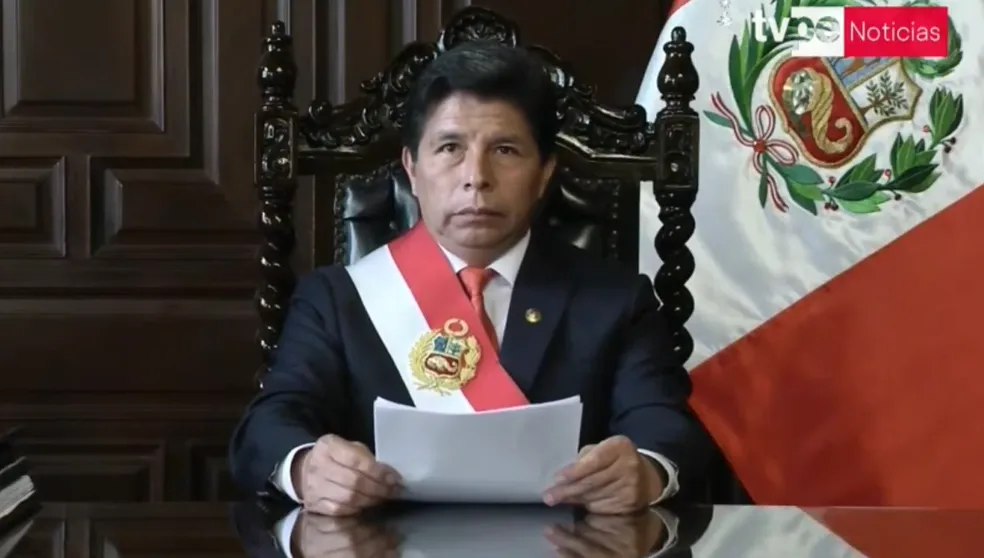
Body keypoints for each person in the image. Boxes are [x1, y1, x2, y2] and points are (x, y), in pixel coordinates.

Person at [229, 40, 706, 517]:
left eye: (505, 150)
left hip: (566, 540)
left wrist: (646, 471)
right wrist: (305, 467)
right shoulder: (335, 300)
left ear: (545, 173)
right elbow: (268, 426)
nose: (476, 176)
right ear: (411, 168)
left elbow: (665, 426)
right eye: (450, 148)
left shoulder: (615, 299)